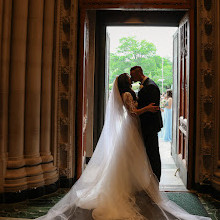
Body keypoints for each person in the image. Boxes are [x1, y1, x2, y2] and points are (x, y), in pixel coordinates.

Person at [36, 74, 211, 220]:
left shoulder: (128, 92)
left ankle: (132, 183)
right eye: (128, 77)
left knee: (132, 157)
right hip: (131, 125)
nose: (130, 77)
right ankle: (128, 186)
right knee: (131, 155)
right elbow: (132, 112)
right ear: (124, 82)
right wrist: (148, 108)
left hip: (132, 126)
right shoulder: (127, 94)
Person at [130, 66, 163, 182]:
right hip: (146, 125)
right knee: (149, 152)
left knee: (153, 153)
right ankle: (150, 178)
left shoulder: (151, 86)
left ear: (139, 73)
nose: (131, 78)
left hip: (150, 125)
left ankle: (156, 179)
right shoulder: (146, 85)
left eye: (133, 75)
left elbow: (152, 108)